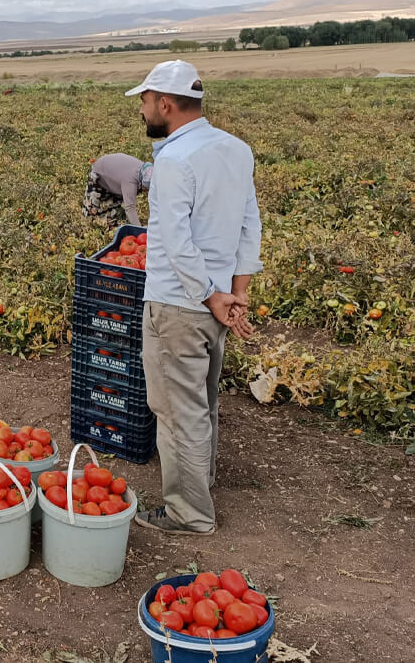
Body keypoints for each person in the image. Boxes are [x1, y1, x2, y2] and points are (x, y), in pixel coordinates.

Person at [127, 61, 262, 536]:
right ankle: (199, 485)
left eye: (145, 101)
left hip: (179, 305)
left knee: (176, 410)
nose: (142, 110)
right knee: (202, 402)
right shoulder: (236, 149)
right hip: (215, 301)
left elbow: (175, 243)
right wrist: (235, 293)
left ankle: (189, 513)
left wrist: (208, 296)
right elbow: (249, 224)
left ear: (165, 103)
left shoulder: (173, 160)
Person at [82, 153, 153, 226]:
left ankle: (115, 218)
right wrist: (139, 229)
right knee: (92, 213)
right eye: (146, 189)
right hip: (99, 173)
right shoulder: (130, 182)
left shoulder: (146, 170)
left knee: (114, 213)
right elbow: (130, 208)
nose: (146, 191)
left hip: (114, 175)